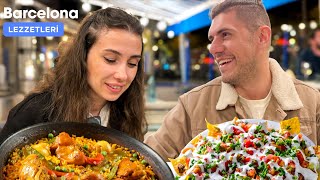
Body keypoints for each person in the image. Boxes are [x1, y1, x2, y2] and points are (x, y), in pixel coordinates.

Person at [144, 0, 320, 161]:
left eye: (225, 35)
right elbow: (147, 163)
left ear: (262, 37)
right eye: (212, 39)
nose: (213, 48)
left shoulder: (313, 103)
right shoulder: (192, 106)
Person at [0, 7, 147, 144]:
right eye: (110, 59)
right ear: (83, 56)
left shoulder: (128, 113)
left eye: (132, 63)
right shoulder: (34, 112)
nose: (122, 75)